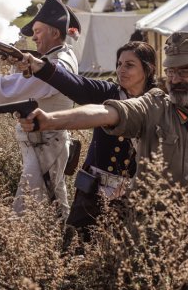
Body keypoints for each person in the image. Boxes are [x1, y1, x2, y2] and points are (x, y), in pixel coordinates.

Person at [18, 32, 188, 279]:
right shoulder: (154, 106)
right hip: (151, 243)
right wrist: (51, 120)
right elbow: (106, 113)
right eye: (171, 71)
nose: (174, 79)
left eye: (184, 70)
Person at [17, 41, 157, 249]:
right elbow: (76, 85)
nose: (121, 70)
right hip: (93, 190)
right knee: (76, 246)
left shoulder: (159, 103)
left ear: (148, 68)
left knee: (124, 252)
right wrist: (38, 65)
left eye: (129, 65)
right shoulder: (107, 93)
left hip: (133, 195)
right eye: (119, 64)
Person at [0, 0, 80, 220]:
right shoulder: (61, 57)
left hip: (46, 145)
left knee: (24, 214)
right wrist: (19, 66)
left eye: (39, 31)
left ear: (55, 32)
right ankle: (67, 248)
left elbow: (4, 92)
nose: (34, 37)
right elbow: (29, 87)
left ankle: (32, 253)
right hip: (47, 143)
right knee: (57, 210)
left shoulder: (56, 65)